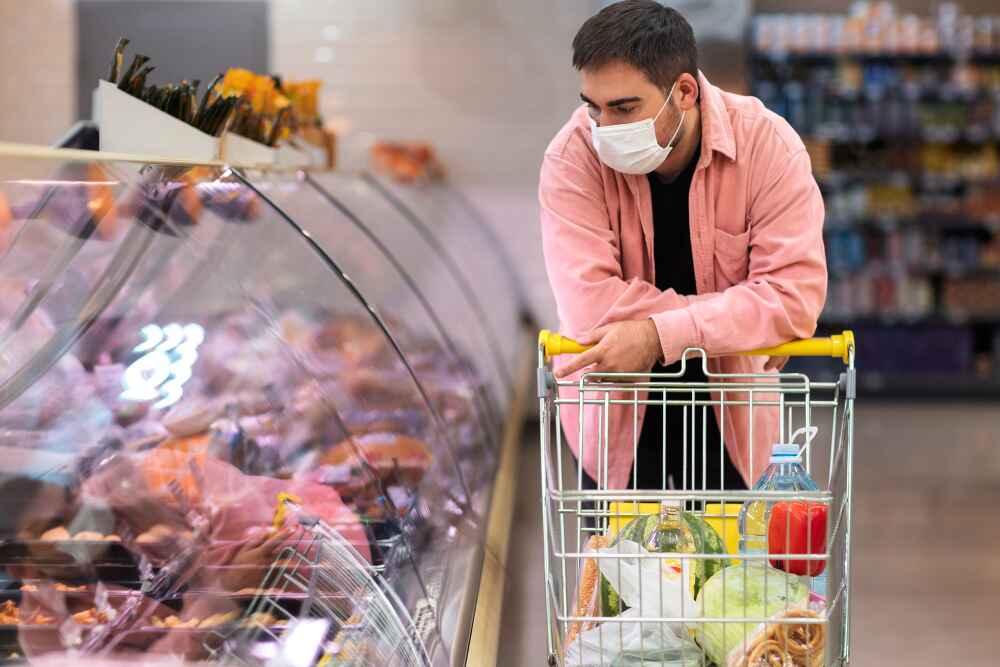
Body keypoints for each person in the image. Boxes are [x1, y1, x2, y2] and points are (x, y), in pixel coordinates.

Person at [540, 1, 827, 492]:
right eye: (594, 107)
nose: (604, 129)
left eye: (625, 108)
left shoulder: (768, 148)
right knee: (621, 568)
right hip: (616, 414)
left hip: (734, 411)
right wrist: (741, 315)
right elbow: (589, 306)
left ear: (686, 92)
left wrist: (654, 335)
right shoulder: (572, 158)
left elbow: (792, 297)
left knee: (731, 566)